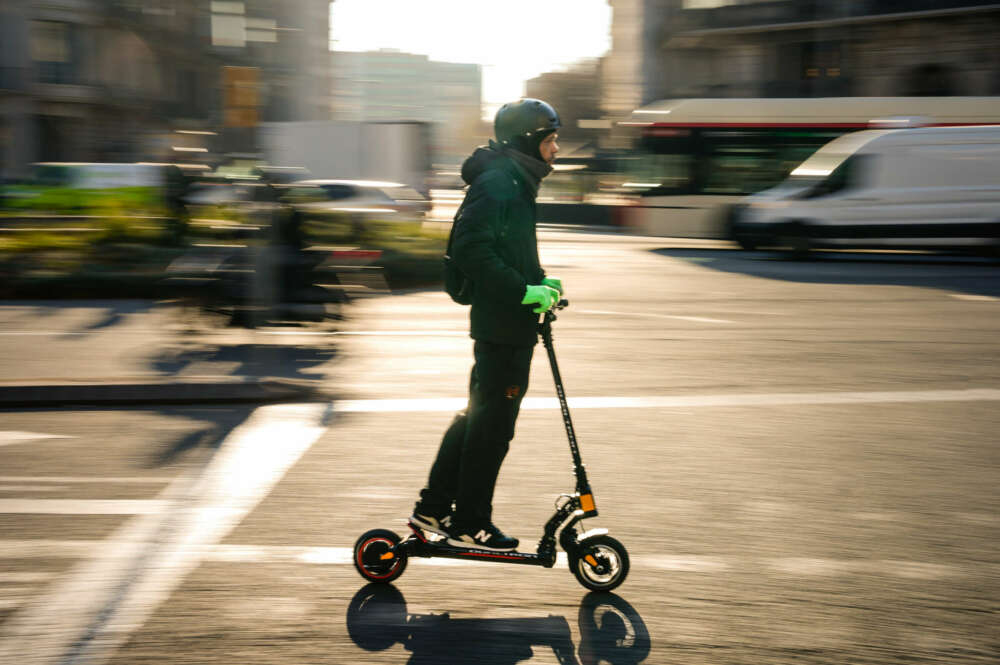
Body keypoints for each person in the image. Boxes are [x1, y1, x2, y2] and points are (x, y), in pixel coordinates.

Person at [410, 99, 564, 552]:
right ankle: (470, 520)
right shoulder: (500, 181)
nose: (557, 149)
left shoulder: (514, 180)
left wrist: (539, 279)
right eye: (551, 140)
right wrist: (523, 291)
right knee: (491, 429)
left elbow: (505, 248)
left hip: (507, 324)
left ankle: (433, 508)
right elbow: (472, 251)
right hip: (501, 326)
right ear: (529, 141)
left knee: (478, 420)